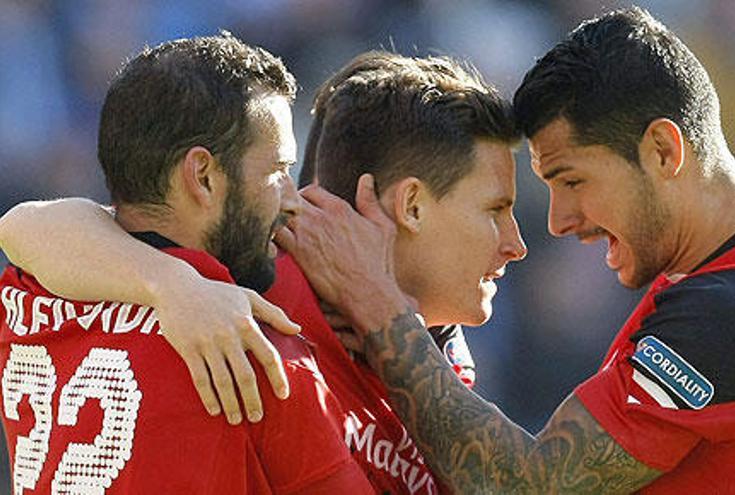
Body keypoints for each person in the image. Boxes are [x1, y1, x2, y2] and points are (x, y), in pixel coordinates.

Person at [281, 7, 735, 494]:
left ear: (662, 150)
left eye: (572, 181)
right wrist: (189, 290)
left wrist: (381, 309)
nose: (558, 223)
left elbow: (525, 485)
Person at [0, 50, 527, 494]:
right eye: (495, 209)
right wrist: (174, 285)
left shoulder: (439, 352)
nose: (517, 244)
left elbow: (26, 229)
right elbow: (28, 226)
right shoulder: (258, 319)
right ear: (411, 204)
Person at [0, 33, 376, 493]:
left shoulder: (28, 298)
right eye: (277, 171)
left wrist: (170, 282)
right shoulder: (251, 352)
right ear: (202, 176)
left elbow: (24, 225)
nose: (292, 199)